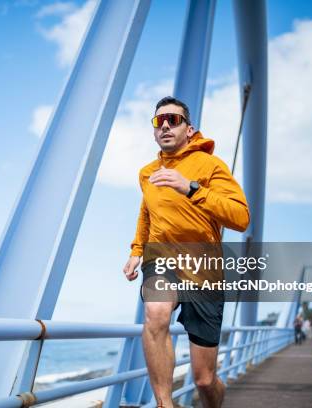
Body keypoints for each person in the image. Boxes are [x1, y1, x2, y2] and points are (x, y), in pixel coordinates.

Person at [123, 96, 250, 408]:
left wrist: (191, 188)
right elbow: (147, 213)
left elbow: (241, 217)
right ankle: (165, 404)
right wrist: (137, 250)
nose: (165, 125)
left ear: (190, 129)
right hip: (161, 259)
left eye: (173, 119)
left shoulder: (209, 166)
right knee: (155, 311)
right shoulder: (147, 173)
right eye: (159, 121)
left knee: (204, 380)